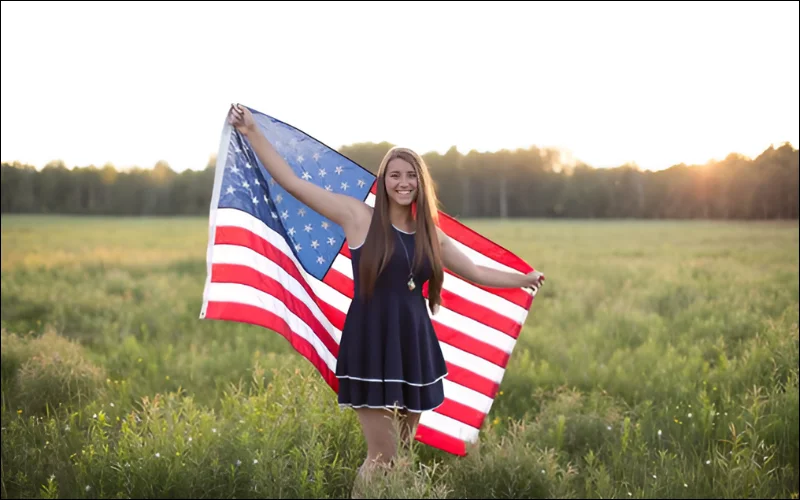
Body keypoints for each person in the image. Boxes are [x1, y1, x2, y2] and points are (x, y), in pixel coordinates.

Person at [226, 103, 545, 483]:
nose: (403, 182)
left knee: (403, 458)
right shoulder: (357, 217)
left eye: (411, 175)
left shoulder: (430, 233)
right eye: (395, 175)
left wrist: (522, 278)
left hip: (414, 344)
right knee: (380, 457)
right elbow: (293, 184)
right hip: (371, 343)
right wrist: (252, 132)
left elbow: (476, 271)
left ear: (421, 182)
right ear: (384, 180)